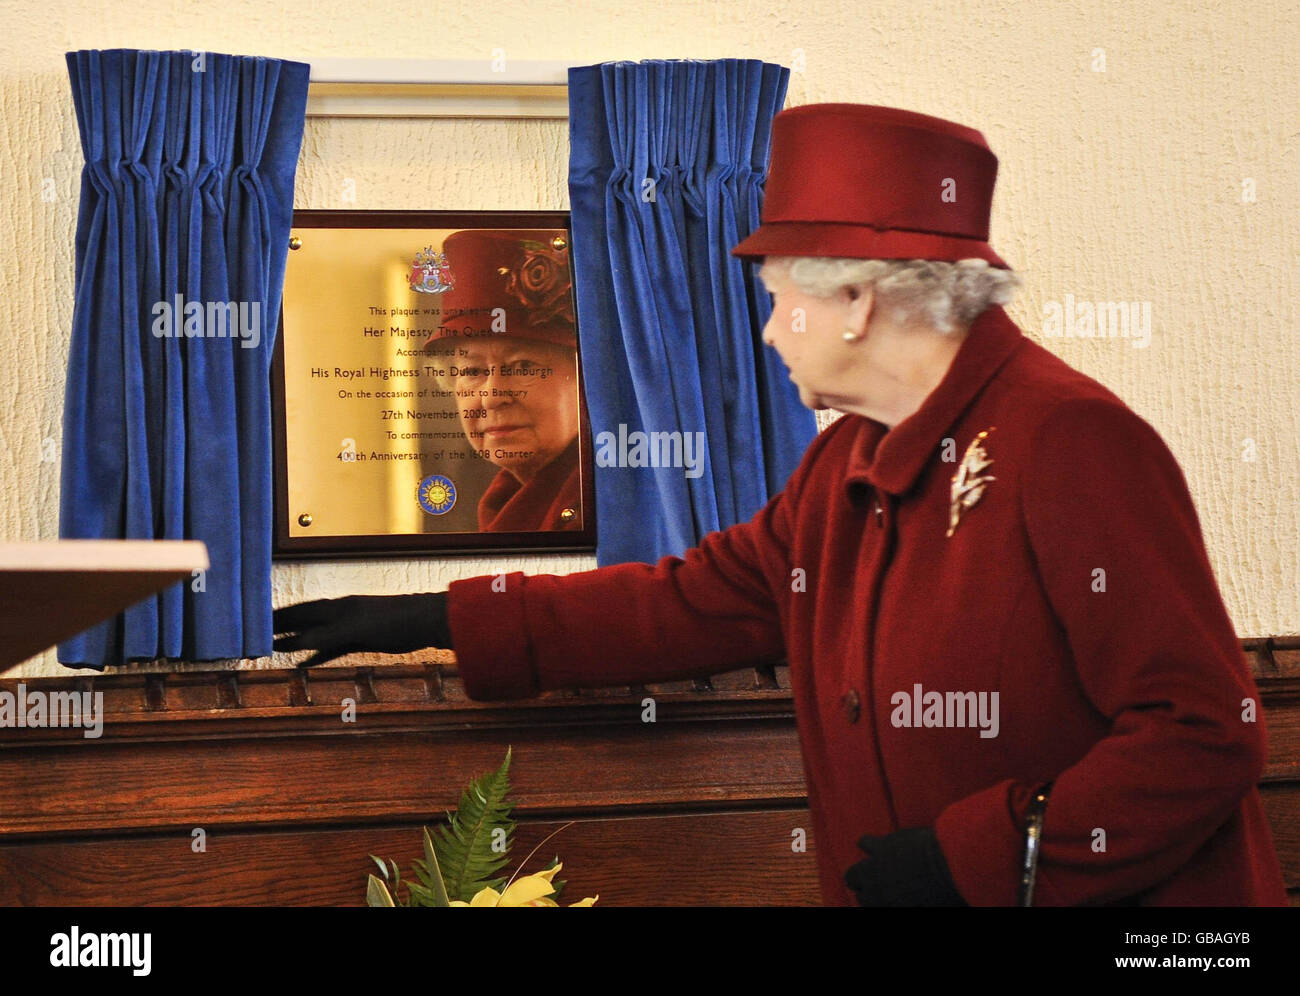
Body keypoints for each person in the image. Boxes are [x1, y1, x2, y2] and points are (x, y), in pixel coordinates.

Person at [274, 103, 1288, 907]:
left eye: (779, 299)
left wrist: (980, 858)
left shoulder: (1068, 441)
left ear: (859, 299)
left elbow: (1204, 728)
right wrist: (448, 617)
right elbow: (689, 603)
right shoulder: (845, 460)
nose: (767, 333)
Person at [428, 228, 583, 532]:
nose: (491, 396)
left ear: (587, 380)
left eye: (523, 366)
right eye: (472, 372)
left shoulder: (604, 502)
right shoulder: (504, 502)